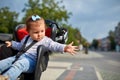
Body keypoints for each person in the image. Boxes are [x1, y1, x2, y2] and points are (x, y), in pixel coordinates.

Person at [0, 15, 79, 80]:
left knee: (19, 64)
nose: (40, 34)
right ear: (29, 32)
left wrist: (65, 48)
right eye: (36, 32)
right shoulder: (27, 38)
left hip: (32, 62)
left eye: (42, 31)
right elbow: (20, 46)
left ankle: (6, 77)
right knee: (7, 61)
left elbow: (54, 45)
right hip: (19, 57)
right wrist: (12, 44)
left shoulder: (46, 40)